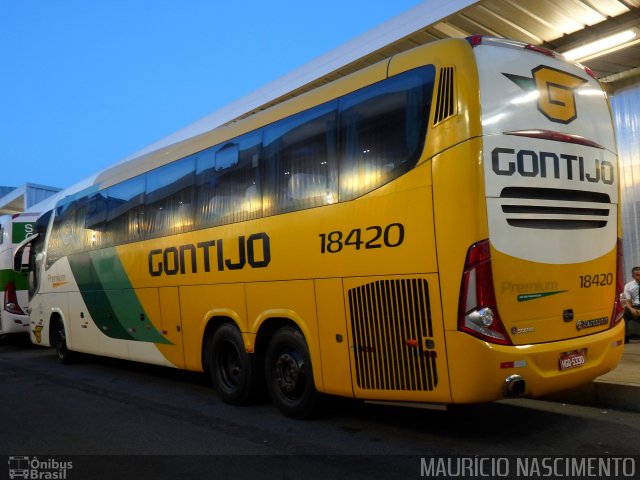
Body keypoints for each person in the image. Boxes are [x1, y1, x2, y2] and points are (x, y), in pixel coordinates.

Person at [621, 266, 640, 343]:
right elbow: (627, 300)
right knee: (624, 313)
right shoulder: (628, 286)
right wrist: (631, 309)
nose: (639, 276)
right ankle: (626, 337)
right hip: (635, 306)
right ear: (633, 276)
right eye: (637, 275)